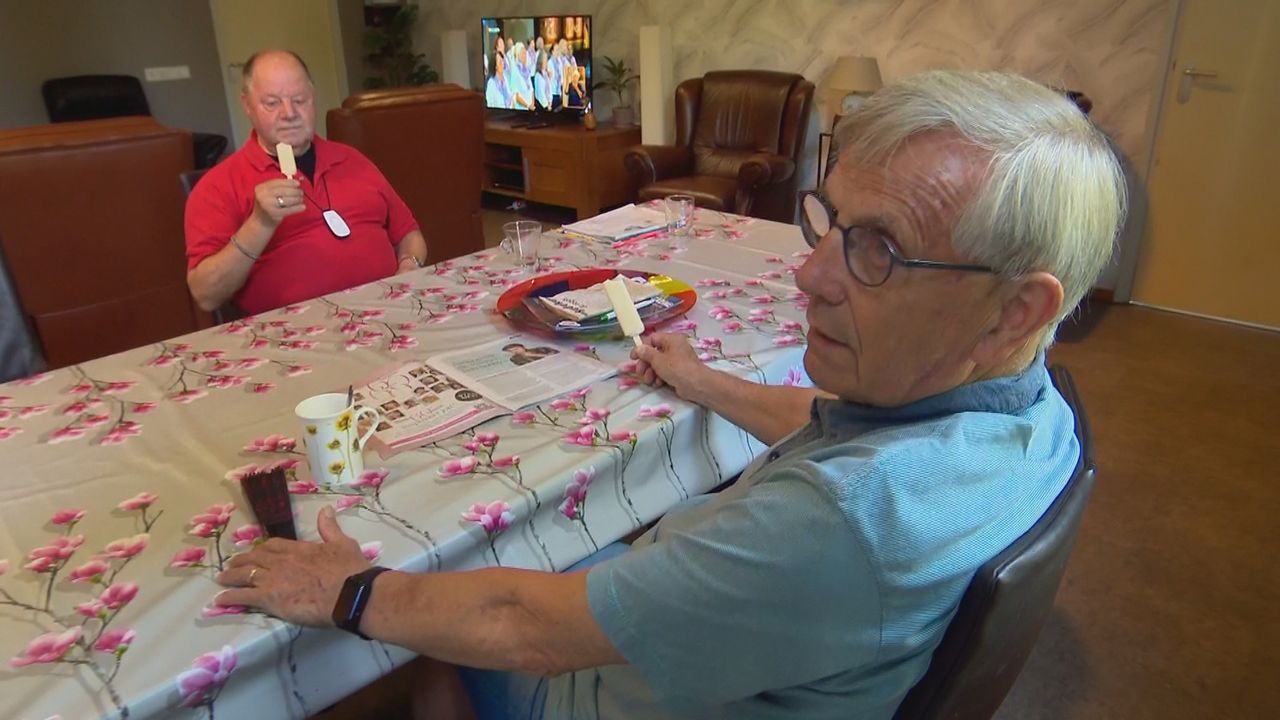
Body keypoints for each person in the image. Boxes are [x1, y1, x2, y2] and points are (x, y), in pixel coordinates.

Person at [212, 70, 1125, 719]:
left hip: (616, 690)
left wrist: (356, 594)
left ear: (1015, 309)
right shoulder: (1032, 407)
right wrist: (701, 380)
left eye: (877, 249)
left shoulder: (839, 524)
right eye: (832, 221)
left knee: (438, 633)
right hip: (799, 656)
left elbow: (522, 628)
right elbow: (837, 425)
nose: (808, 274)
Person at [184, 50, 427, 316]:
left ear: (313, 99)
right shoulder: (218, 185)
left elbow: (409, 233)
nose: (289, 113)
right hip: (299, 333)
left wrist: (409, 265)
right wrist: (260, 223)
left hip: (390, 310)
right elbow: (206, 295)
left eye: (299, 100)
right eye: (272, 103)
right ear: (247, 105)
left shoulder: (352, 159)